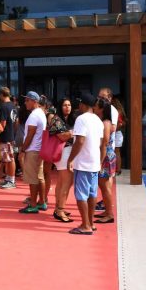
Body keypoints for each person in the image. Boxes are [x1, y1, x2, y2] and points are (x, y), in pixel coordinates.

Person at [66, 93, 104, 235]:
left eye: (80, 103)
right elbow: (100, 142)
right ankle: (90, 223)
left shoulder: (81, 119)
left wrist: (70, 159)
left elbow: (80, 141)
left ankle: (85, 225)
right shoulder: (98, 121)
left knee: (81, 195)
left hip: (83, 163)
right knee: (92, 194)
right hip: (94, 162)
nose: (78, 105)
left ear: (83, 104)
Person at [19, 91, 47, 214]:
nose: (25, 102)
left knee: (32, 179)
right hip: (39, 149)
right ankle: (42, 202)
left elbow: (30, 134)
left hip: (33, 150)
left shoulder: (34, 115)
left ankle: (34, 204)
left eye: (27, 100)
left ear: (34, 101)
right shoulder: (41, 113)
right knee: (40, 177)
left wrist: (23, 149)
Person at [50, 98, 75, 223]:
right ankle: (60, 209)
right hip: (63, 152)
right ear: (60, 106)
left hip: (67, 152)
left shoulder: (68, 119)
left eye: (69, 105)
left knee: (61, 183)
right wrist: (73, 133)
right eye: (65, 105)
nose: (67, 107)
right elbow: (61, 136)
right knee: (66, 182)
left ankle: (58, 208)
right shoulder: (56, 119)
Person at [94, 98, 116, 224]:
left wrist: (100, 161)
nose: (94, 107)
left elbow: (105, 143)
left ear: (101, 108)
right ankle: (107, 211)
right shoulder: (103, 121)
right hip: (106, 155)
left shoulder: (106, 123)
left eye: (96, 106)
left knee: (105, 185)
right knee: (104, 186)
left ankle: (109, 214)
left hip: (105, 156)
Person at [0, 87, 18, 190]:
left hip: (5, 136)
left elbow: (2, 124)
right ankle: (9, 178)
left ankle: (11, 180)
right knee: (8, 158)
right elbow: (16, 122)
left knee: (9, 159)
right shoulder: (13, 106)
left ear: (1, 95)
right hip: (11, 135)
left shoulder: (4, 106)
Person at [112, 98, 127, 175]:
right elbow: (123, 123)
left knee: (113, 152)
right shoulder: (121, 111)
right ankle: (118, 169)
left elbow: (120, 124)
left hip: (115, 133)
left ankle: (115, 169)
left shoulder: (115, 111)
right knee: (117, 152)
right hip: (119, 133)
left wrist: (112, 130)